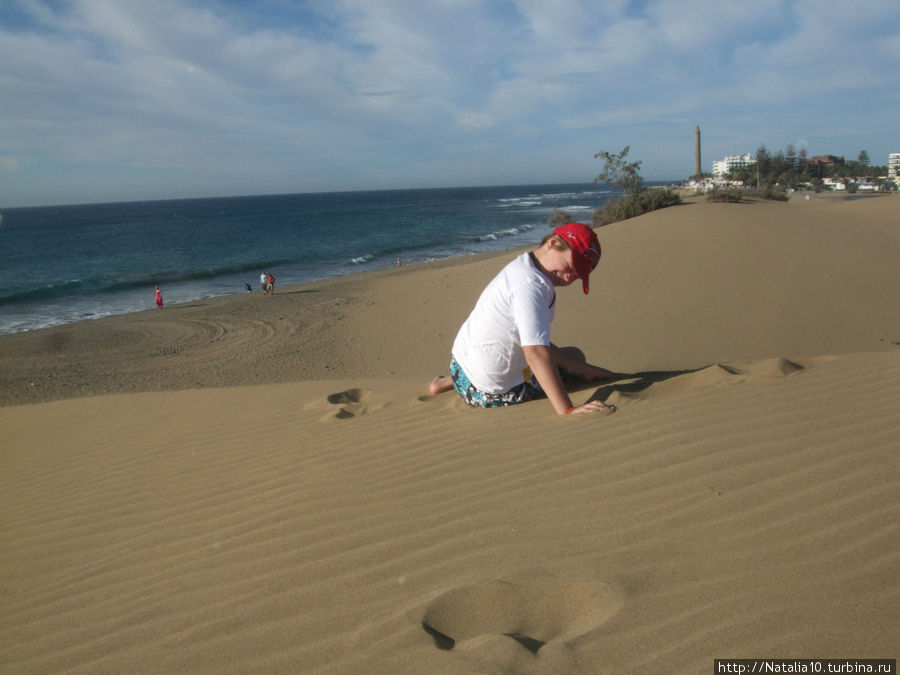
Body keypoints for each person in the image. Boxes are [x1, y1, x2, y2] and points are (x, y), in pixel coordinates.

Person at [428, 223, 614, 416]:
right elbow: (535, 352)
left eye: (578, 275)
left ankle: (444, 382)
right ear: (552, 243)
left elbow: (530, 339)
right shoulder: (531, 286)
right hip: (488, 393)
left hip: (460, 370)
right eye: (570, 266)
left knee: (568, 359)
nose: (569, 277)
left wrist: (580, 368)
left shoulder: (522, 265)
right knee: (574, 356)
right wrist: (567, 409)